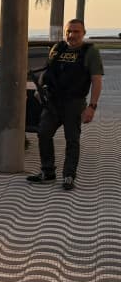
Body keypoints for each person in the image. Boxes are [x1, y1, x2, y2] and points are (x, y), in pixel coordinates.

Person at [27, 18, 104, 190]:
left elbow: (96, 81)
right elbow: (47, 71)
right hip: (53, 101)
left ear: (83, 33)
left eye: (76, 32)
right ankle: (47, 172)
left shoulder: (90, 52)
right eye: (69, 31)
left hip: (74, 103)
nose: (72, 35)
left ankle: (69, 176)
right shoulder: (58, 48)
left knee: (72, 140)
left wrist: (92, 107)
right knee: (43, 133)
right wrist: (40, 88)